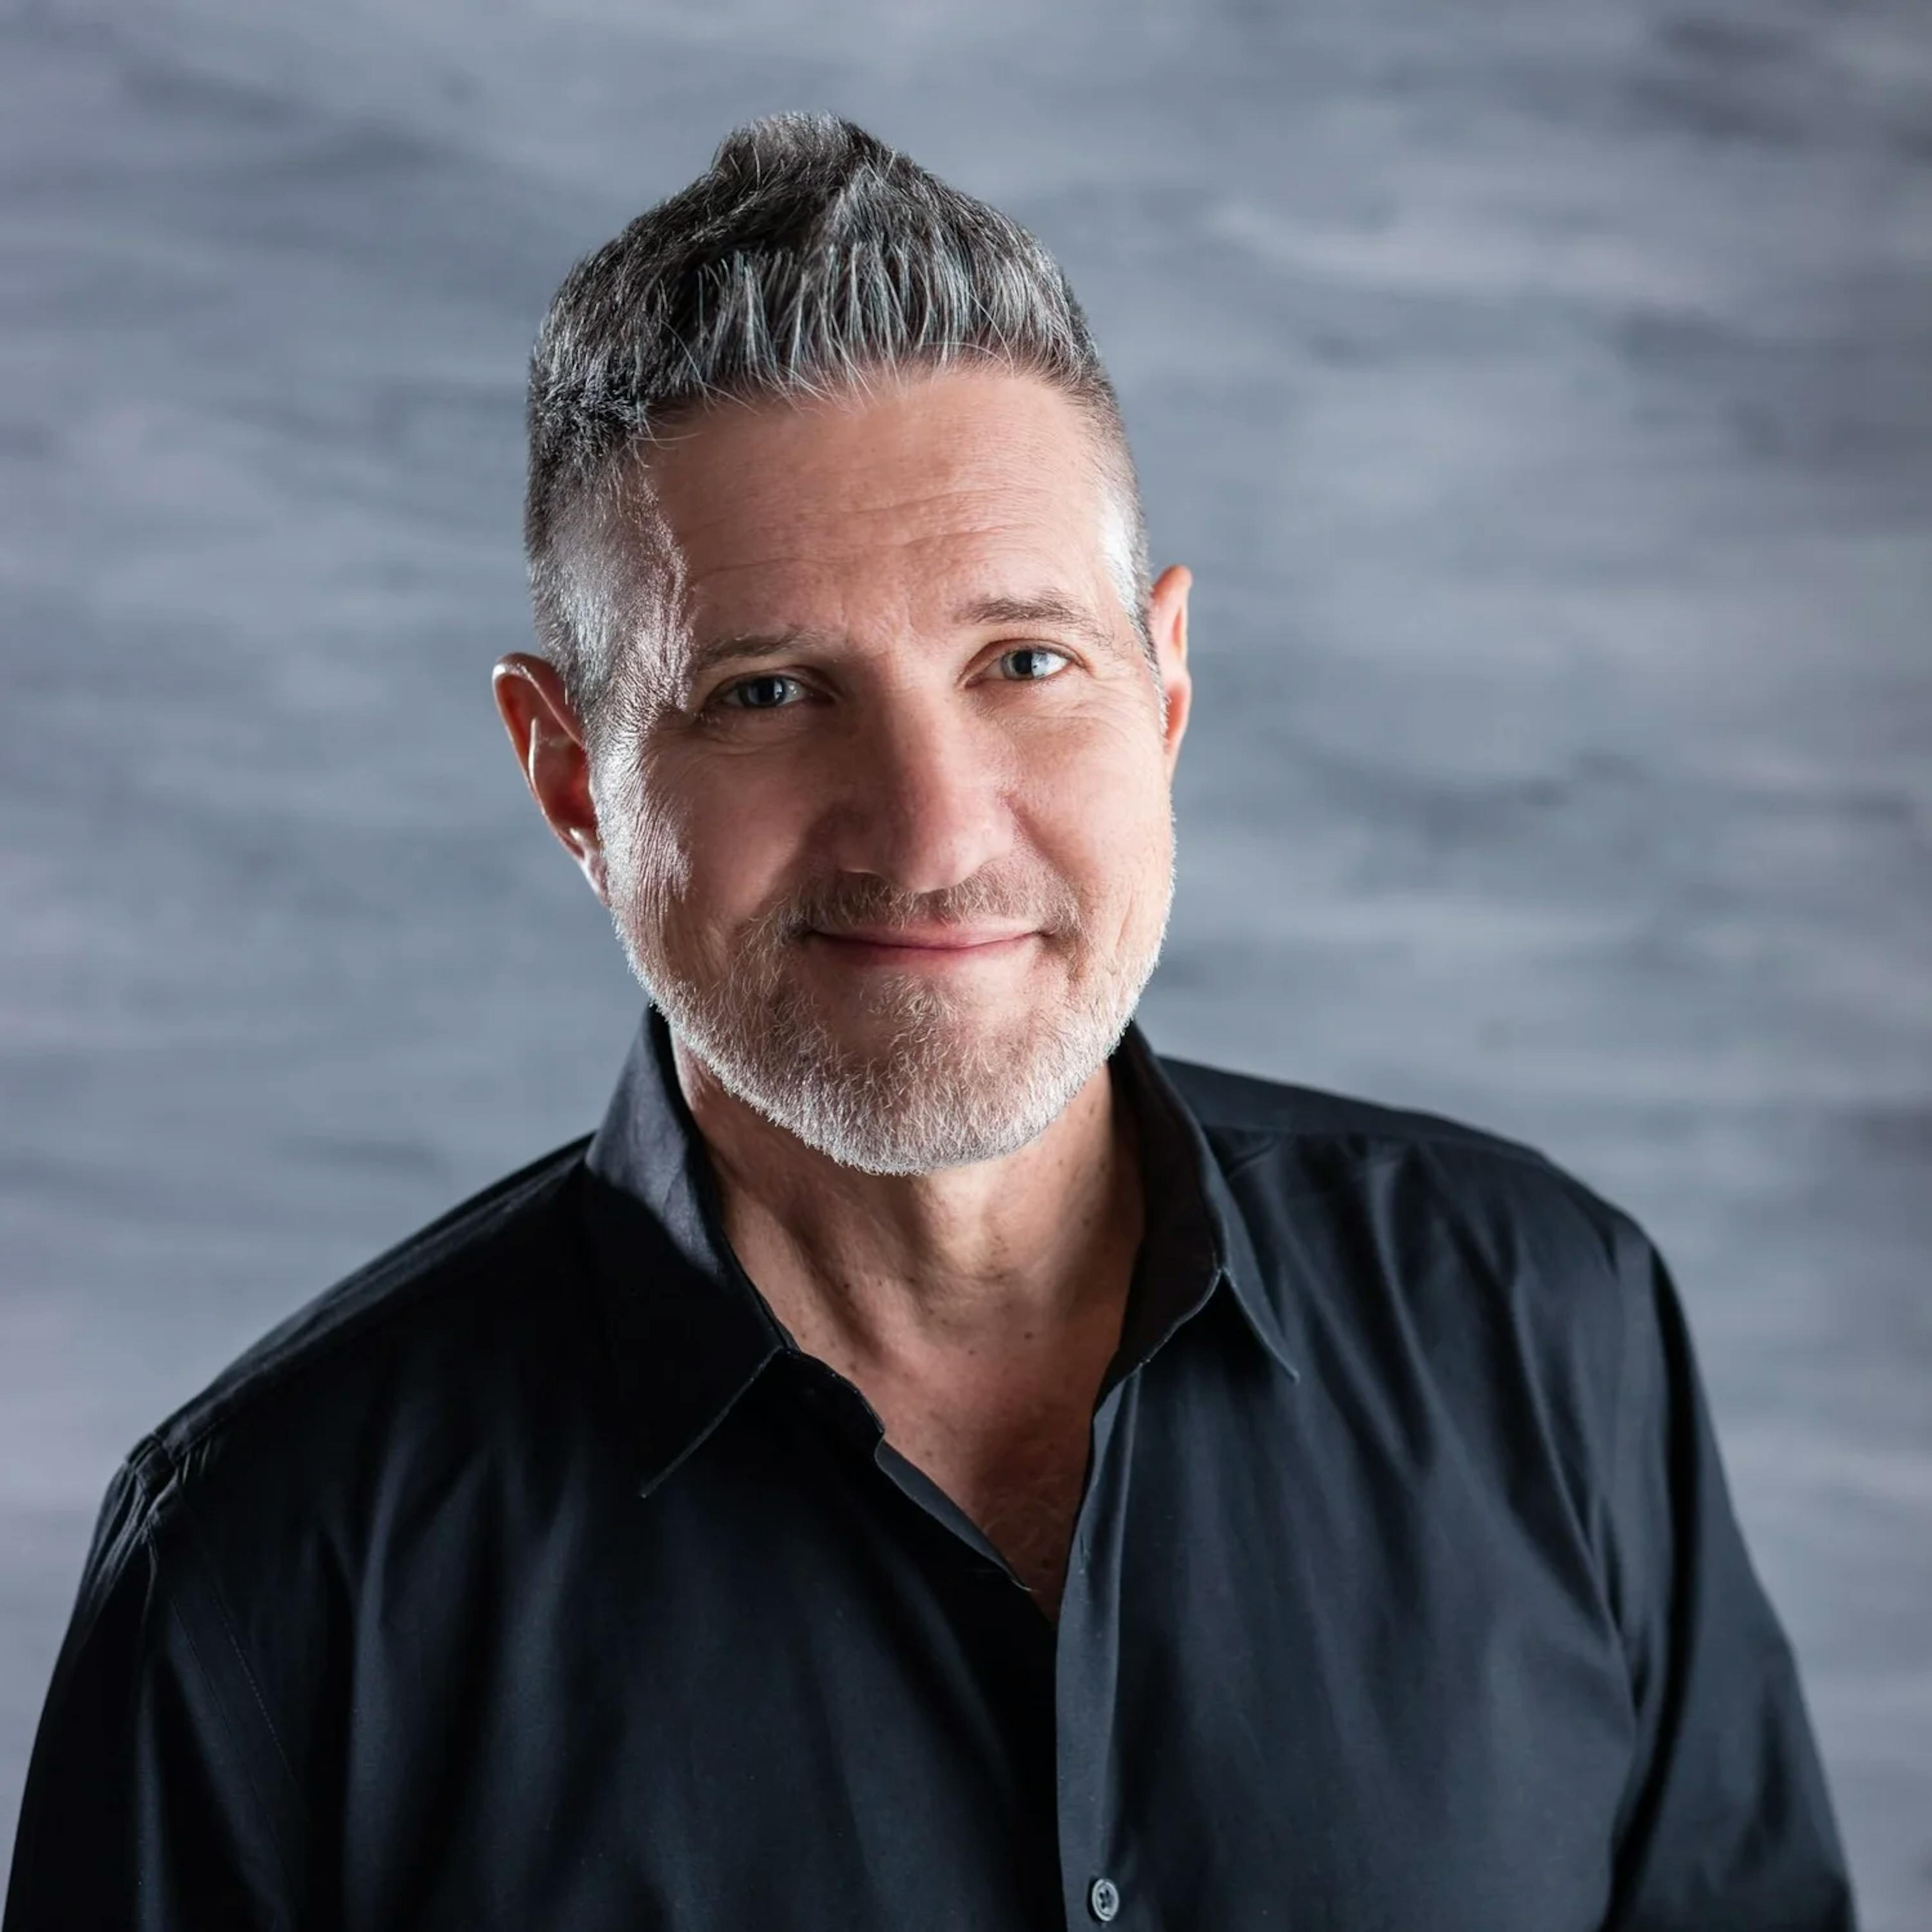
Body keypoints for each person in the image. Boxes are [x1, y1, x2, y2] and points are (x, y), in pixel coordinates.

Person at [5, 114, 1855, 1931]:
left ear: (1166, 692)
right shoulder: (264, 1579)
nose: (932, 831)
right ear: (573, 780)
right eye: (769, 691)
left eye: (1024, 662)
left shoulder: (1548, 1331)